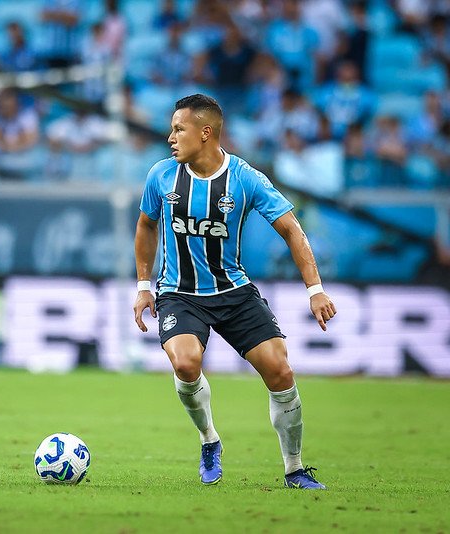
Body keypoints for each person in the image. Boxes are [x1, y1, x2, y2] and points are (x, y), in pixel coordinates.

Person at [133, 94, 336, 489]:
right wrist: (144, 286)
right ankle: (209, 440)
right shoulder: (161, 175)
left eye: (179, 129)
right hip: (180, 292)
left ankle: (294, 468)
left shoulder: (245, 178)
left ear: (205, 133)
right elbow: (145, 226)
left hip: (234, 292)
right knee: (186, 363)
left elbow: (292, 229)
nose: (170, 137)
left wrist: (315, 289)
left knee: (281, 371)